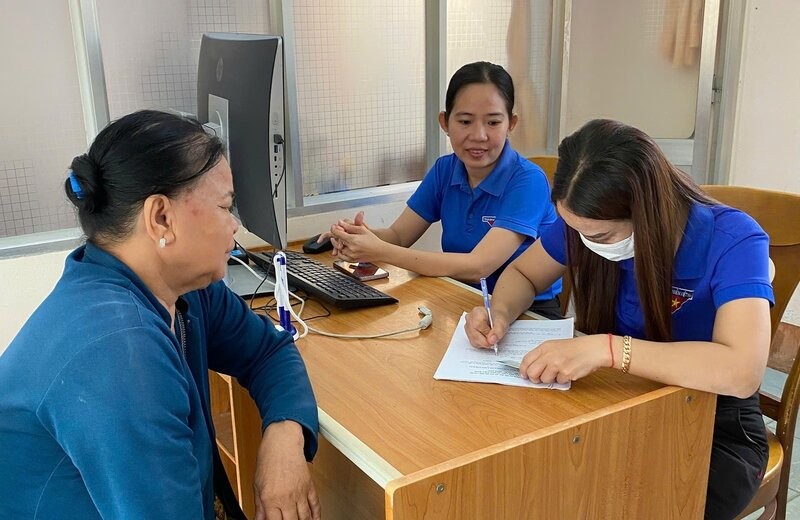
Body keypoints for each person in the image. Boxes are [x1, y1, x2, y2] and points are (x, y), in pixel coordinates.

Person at [0, 110, 321, 520]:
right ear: (161, 218)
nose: (235, 226)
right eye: (226, 207)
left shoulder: (183, 290)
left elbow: (268, 351)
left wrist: (284, 437)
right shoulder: (117, 351)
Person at [464, 119, 772, 520]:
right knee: (525, 484)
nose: (586, 243)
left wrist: (609, 349)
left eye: (602, 236)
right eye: (576, 231)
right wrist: (499, 313)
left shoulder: (734, 239)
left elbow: (741, 370)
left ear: (648, 210)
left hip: (711, 427)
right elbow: (523, 273)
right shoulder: (584, 225)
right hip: (615, 402)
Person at [323, 61, 563, 319]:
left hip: (527, 313)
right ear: (445, 122)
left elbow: (479, 266)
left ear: (511, 124)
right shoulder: (445, 170)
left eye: (493, 123)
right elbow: (398, 235)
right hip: (461, 297)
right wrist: (359, 236)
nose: (479, 135)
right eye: (465, 121)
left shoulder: (529, 181)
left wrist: (378, 250)